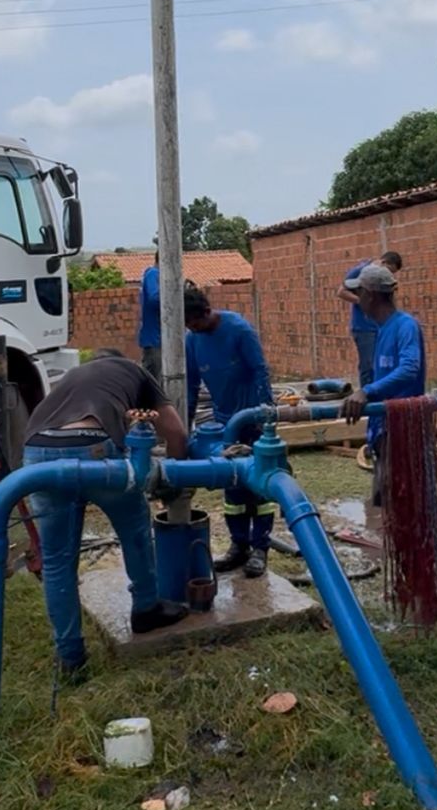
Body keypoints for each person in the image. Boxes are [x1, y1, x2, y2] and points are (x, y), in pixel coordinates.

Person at [23, 350, 191, 675]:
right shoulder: (135, 371)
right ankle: (145, 608)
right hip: (91, 445)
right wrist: (176, 482)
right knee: (135, 528)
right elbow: (177, 433)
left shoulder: (74, 378)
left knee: (57, 560)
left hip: (37, 451)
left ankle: (70, 658)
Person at [184, 286, 275, 577]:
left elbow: (260, 370)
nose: (193, 329)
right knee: (232, 487)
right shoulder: (192, 340)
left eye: (195, 323)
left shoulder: (239, 330)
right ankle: (239, 546)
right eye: (188, 326)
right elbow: (191, 386)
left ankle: (260, 548)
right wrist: (183, 425)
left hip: (253, 420)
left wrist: (265, 414)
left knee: (260, 488)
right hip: (225, 426)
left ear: (207, 312)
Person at [340, 264, 425, 507]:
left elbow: (410, 369)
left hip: (402, 427)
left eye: (360, 294)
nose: (357, 300)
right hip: (383, 425)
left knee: (400, 499)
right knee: (383, 499)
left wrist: (367, 391)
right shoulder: (382, 329)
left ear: (370, 295)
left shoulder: (405, 326)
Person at [339, 251, 403, 386]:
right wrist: (363, 301)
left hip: (380, 325)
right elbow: (341, 291)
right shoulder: (360, 271)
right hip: (364, 326)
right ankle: (367, 397)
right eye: (389, 270)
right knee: (368, 364)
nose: (390, 275)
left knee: (383, 363)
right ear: (383, 262)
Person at [138, 251, 162, 380]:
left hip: (160, 339)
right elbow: (154, 299)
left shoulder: (157, 276)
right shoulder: (153, 274)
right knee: (154, 381)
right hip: (155, 339)